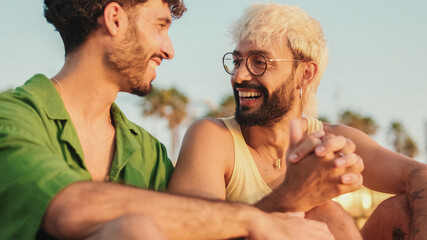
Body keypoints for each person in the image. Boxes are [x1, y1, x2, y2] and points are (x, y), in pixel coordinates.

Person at [0, 0, 338, 239]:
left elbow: (200, 226)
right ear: (115, 19)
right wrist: (255, 220)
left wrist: (296, 202)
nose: (169, 49)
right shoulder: (11, 117)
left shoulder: (147, 153)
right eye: (161, 25)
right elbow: (72, 207)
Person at [168, 3, 427, 240]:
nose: (239, 76)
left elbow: (418, 173)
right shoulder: (213, 137)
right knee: (322, 214)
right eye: (237, 61)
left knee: (401, 210)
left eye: (259, 62)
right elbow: (188, 232)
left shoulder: (330, 139)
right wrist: (296, 197)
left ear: (304, 74)